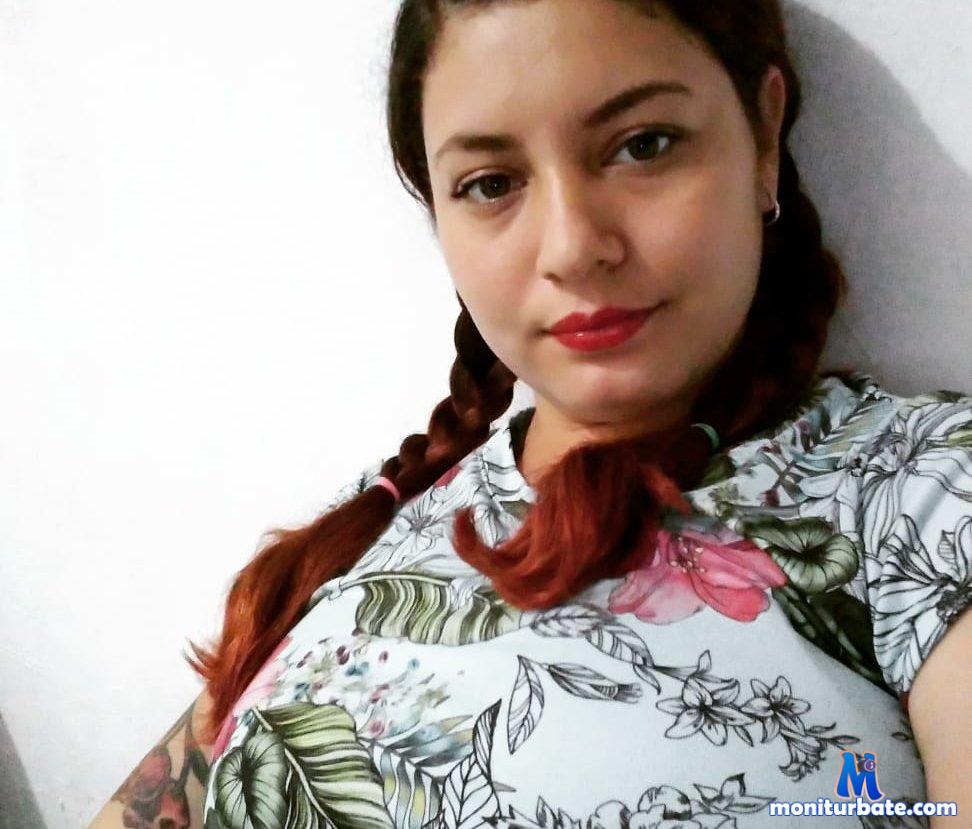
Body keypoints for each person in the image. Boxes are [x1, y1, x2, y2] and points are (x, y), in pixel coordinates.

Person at [87, 1, 971, 827]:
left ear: (764, 135)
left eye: (643, 145)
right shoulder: (381, 520)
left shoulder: (919, 494)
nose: (574, 246)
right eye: (491, 183)